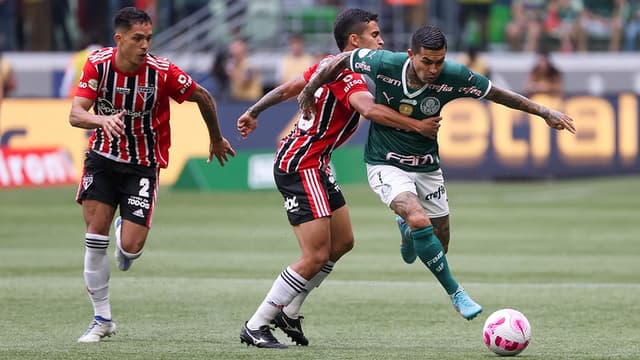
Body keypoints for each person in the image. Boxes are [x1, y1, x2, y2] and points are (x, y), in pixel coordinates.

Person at [298, 24, 576, 327]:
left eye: (439, 62)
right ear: (410, 55)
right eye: (426, 62)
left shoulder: (454, 76)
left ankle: (407, 231)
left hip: (427, 166)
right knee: (419, 219)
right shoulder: (384, 63)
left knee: (438, 243)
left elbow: (497, 93)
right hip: (384, 162)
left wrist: (544, 111)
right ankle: (457, 294)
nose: (433, 69)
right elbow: (335, 61)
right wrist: (310, 90)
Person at [236, 8, 440, 349]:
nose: (381, 40)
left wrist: (254, 111)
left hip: (317, 163)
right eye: (375, 35)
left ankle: (291, 310)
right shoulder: (349, 76)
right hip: (301, 163)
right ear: (355, 41)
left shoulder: (327, 64)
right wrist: (417, 125)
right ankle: (257, 324)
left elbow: (288, 88)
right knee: (315, 255)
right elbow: (369, 109)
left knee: (342, 242)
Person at [69, 7, 236, 343]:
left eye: (149, 38)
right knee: (94, 235)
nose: (145, 45)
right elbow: (75, 114)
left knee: (129, 251)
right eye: (138, 38)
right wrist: (102, 121)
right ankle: (102, 319)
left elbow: (202, 96)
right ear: (119, 39)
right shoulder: (98, 64)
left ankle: (125, 234)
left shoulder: (161, 72)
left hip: (142, 163)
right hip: (102, 157)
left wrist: (215, 138)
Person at [226, 37, 263, 101]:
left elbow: (245, 82)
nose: (233, 51)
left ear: (243, 48)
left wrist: (233, 72)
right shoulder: (235, 65)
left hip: (251, 101)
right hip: (237, 100)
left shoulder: (250, 64)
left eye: (235, 48)